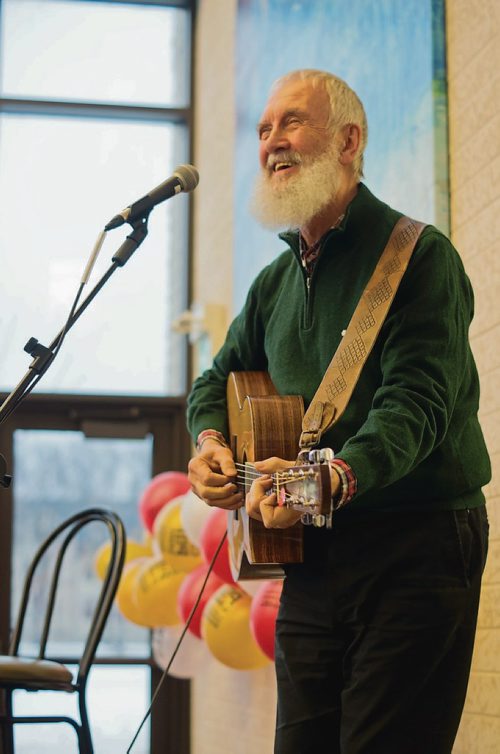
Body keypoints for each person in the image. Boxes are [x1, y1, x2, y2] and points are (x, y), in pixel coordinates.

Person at [186, 69, 491, 754]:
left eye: (291, 122)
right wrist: (209, 441)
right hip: (312, 554)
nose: (271, 141)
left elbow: (415, 409)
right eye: (264, 129)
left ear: (348, 140)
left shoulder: (419, 256)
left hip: (417, 543)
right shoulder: (273, 284)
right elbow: (214, 380)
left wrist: (316, 483)